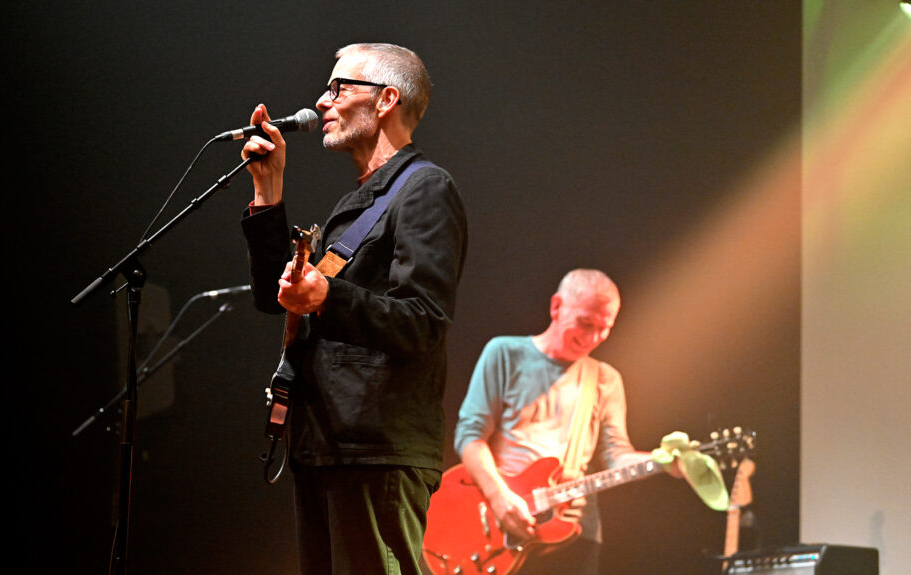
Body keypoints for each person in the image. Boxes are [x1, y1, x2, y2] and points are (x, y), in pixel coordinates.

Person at [238, 43, 468, 575]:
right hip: (326, 443)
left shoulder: (426, 190)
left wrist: (328, 296)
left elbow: (423, 321)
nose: (323, 101)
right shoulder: (359, 204)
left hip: (376, 449)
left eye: (339, 87)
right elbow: (276, 298)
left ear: (386, 100)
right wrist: (268, 190)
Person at [452, 268, 682, 575]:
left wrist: (663, 461)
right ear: (556, 306)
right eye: (585, 323)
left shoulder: (605, 379)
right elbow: (470, 436)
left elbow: (617, 455)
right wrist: (499, 497)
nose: (593, 338)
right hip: (497, 524)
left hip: (574, 533)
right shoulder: (504, 353)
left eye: (604, 328)